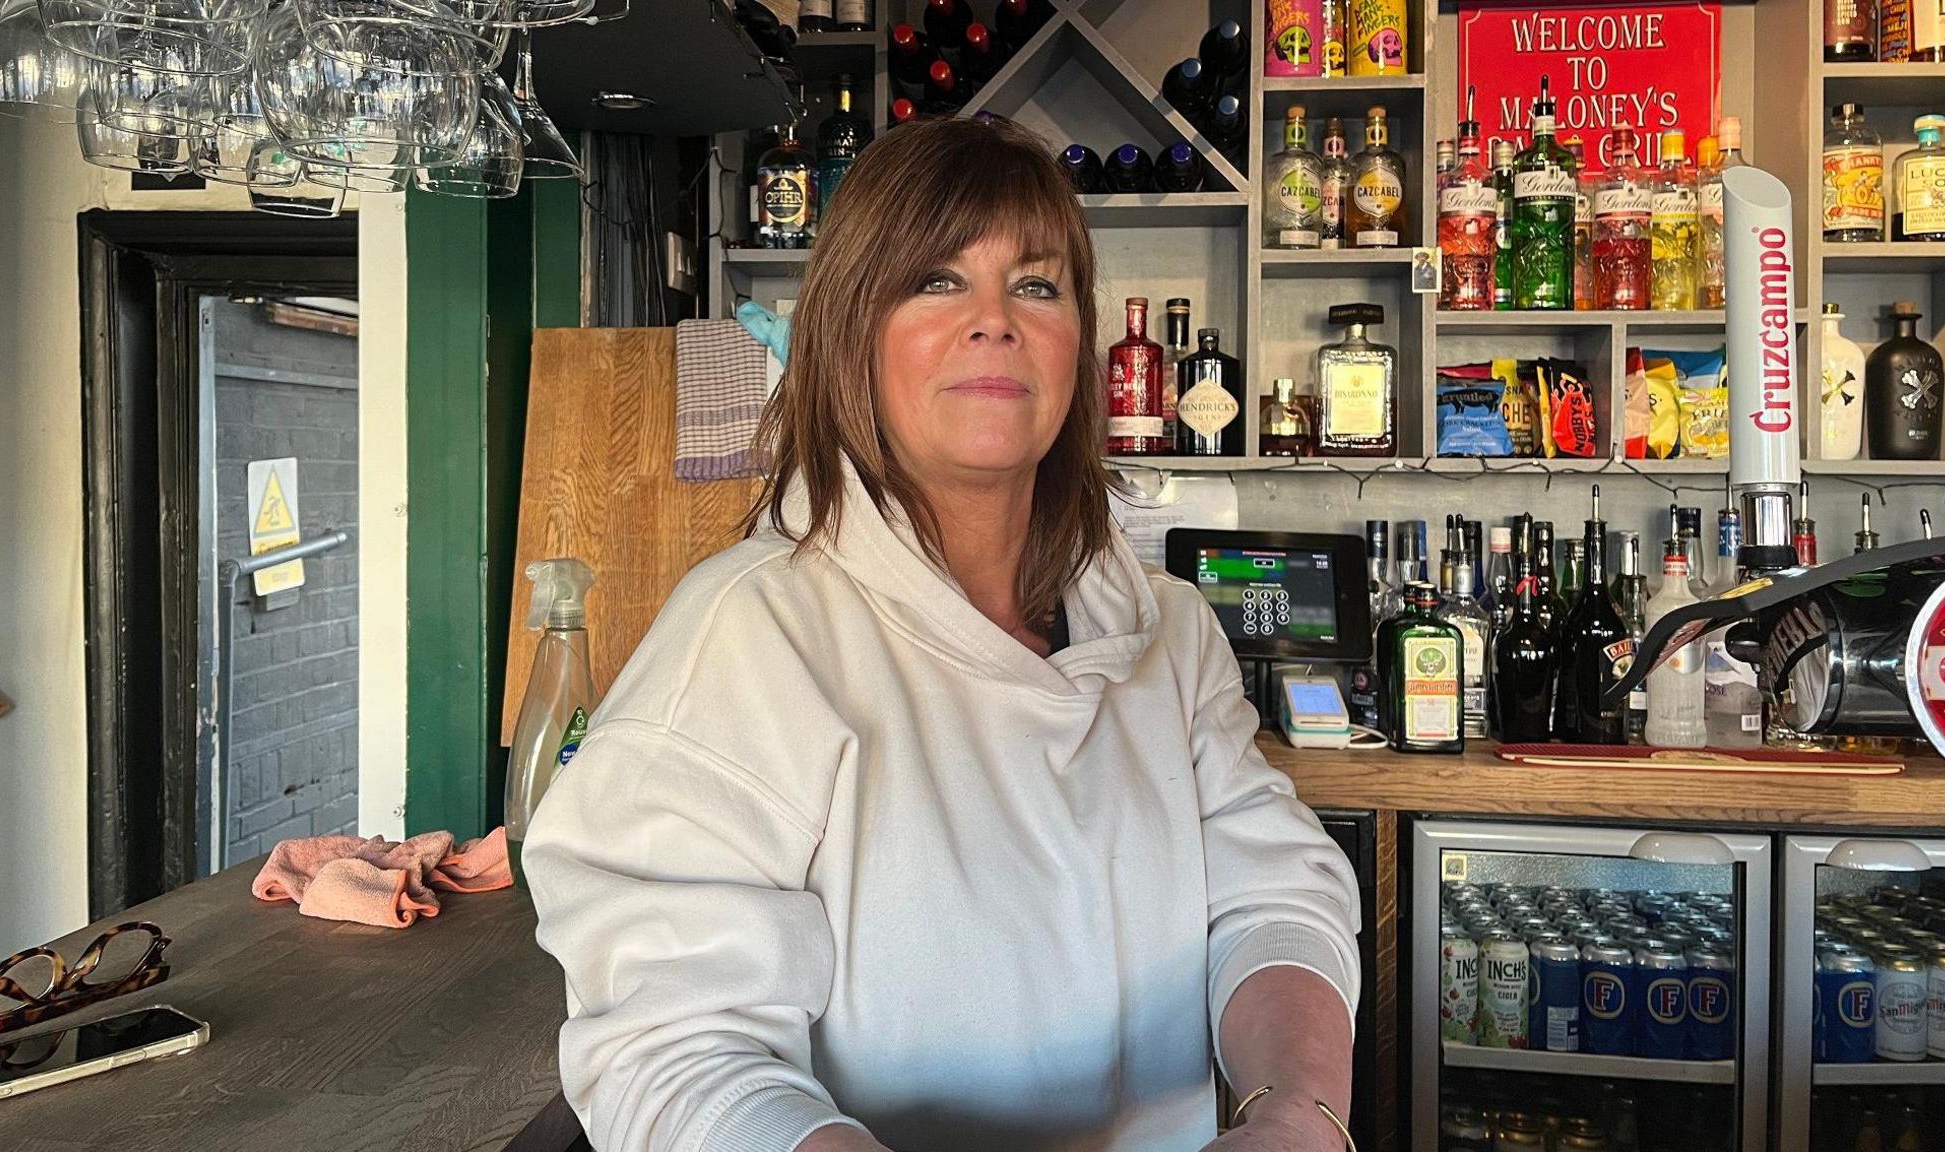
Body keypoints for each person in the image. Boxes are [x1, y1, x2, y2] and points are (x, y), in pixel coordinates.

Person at [524, 116, 1361, 1152]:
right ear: (847, 336)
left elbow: (1272, 895)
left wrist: (1296, 1115)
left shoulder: (1168, 632)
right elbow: (672, 1047)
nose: (994, 321)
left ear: (1079, 346)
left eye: (1037, 284)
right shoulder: (752, 633)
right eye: (933, 280)